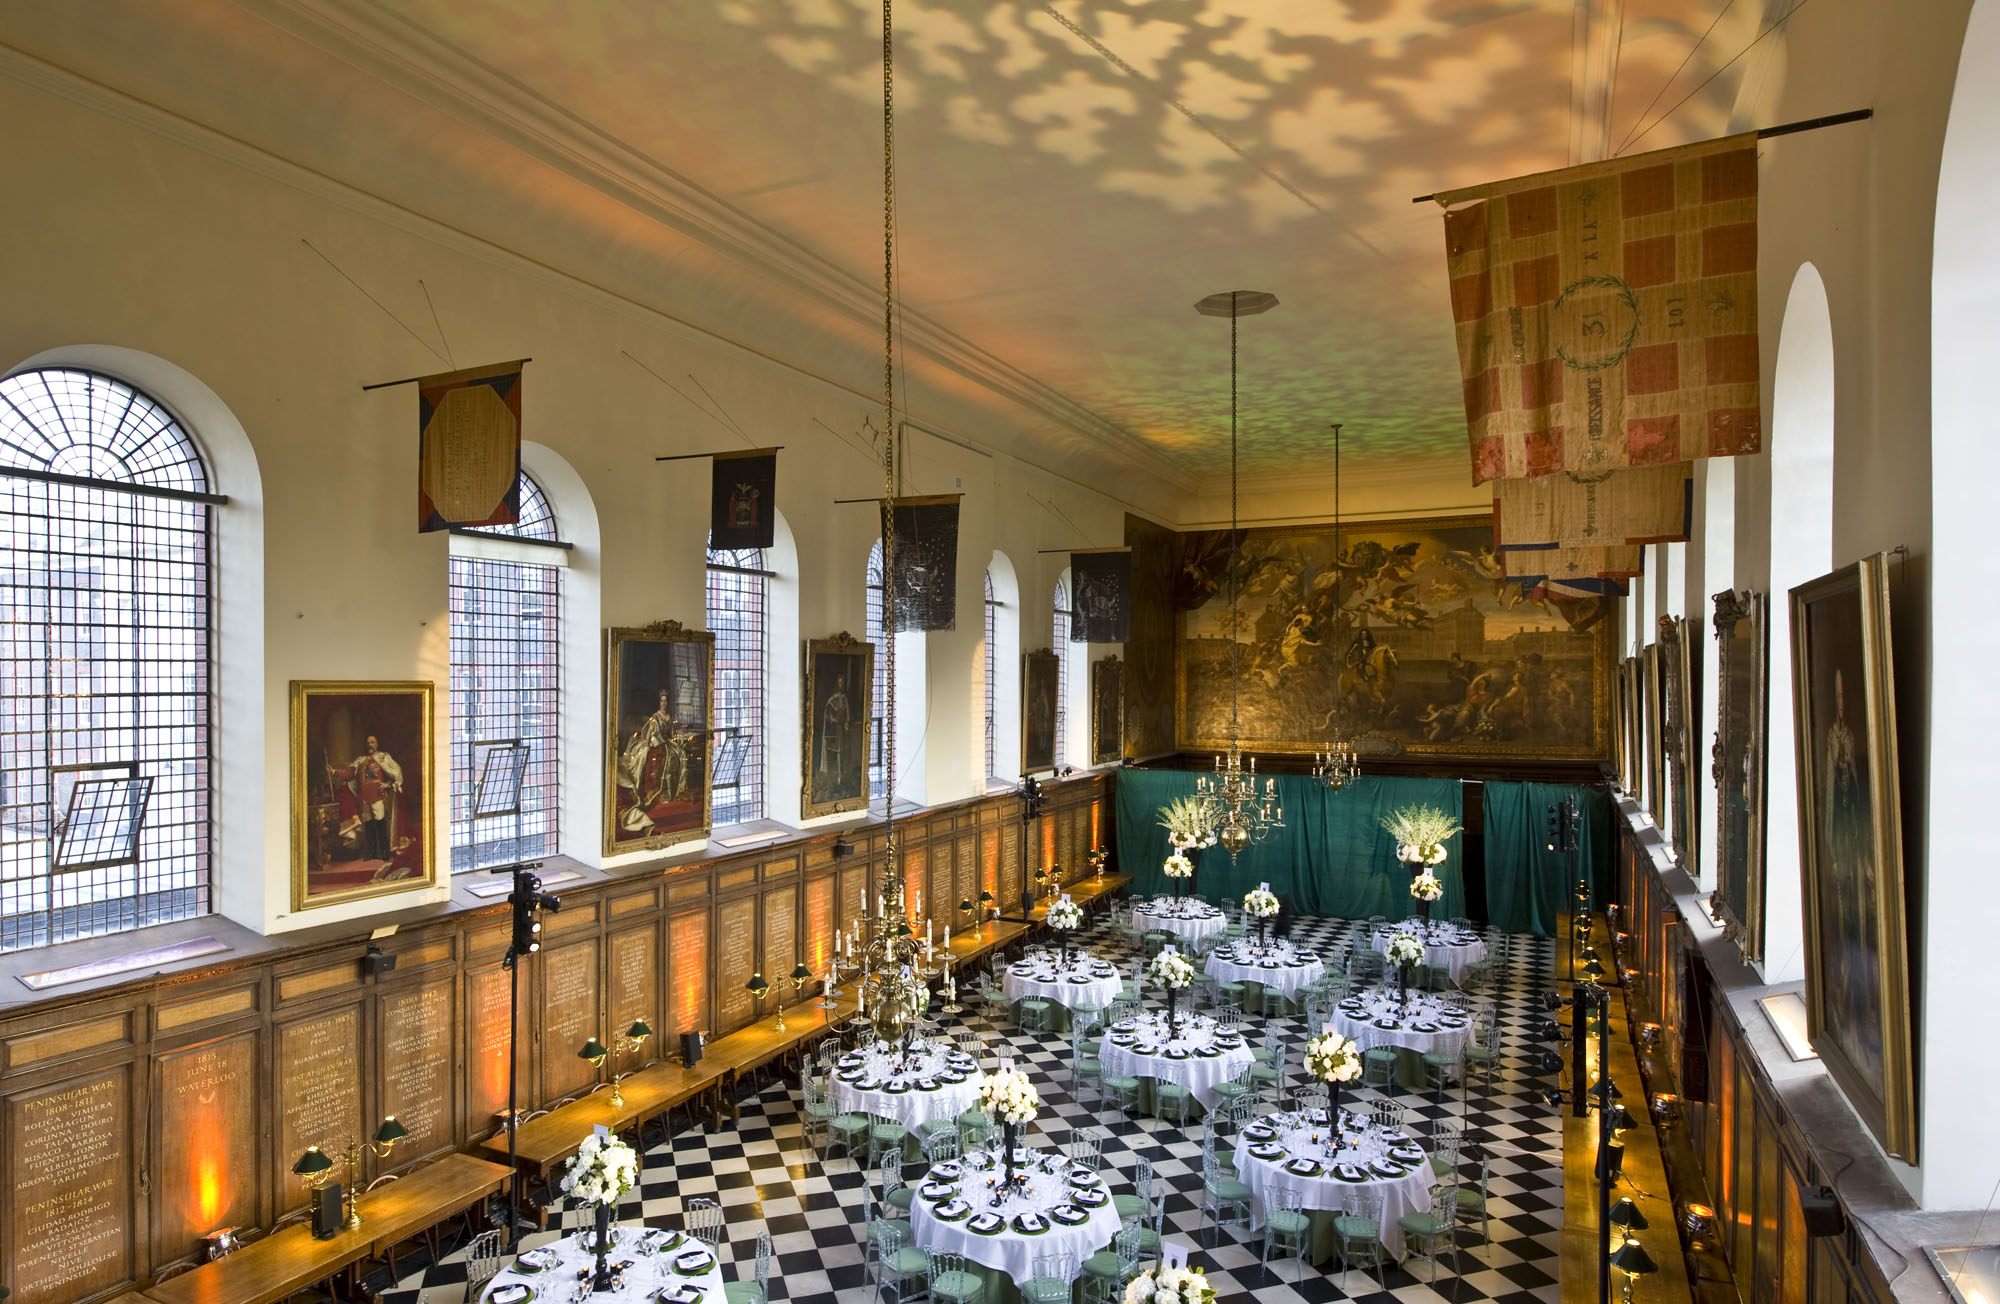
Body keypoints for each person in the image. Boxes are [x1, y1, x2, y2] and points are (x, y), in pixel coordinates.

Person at [341, 735, 402, 863]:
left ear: (377, 744)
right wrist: (334, 771)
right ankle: (371, 852)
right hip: (364, 796)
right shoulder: (361, 760)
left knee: (380, 823)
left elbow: (396, 772)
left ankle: (384, 852)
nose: (370, 745)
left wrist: (388, 784)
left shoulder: (383, 757)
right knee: (368, 825)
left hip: (377, 795)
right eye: (368, 743)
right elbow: (349, 774)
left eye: (372, 742)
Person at [819, 673, 852, 778]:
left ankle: (842, 774)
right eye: (839, 683)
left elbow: (847, 714)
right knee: (833, 753)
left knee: (843, 752)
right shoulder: (831, 700)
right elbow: (828, 716)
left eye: (842, 683)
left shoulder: (845, 698)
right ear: (836, 684)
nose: (841, 685)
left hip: (842, 731)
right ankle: (833, 775)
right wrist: (833, 719)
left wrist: (846, 723)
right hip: (833, 732)